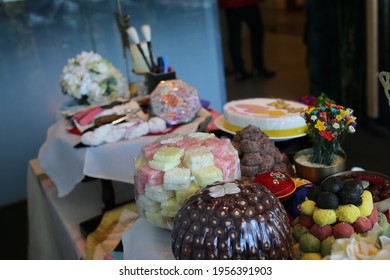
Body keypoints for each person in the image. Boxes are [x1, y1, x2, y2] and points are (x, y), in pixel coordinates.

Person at [219, 0, 275, 82]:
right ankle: (257, 68)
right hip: (246, 2)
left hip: (229, 3)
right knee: (257, 31)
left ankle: (239, 71)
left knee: (234, 36)